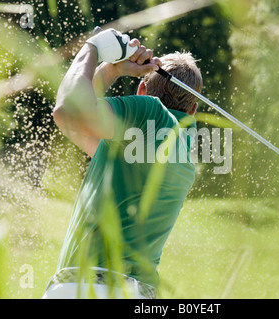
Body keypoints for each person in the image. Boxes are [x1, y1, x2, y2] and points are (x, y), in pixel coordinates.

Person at [42, 29, 203, 299]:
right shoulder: (184, 153)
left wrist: (93, 48)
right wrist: (109, 69)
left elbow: (68, 110)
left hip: (83, 286)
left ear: (142, 90)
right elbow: (77, 123)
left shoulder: (149, 110)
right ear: (193, 110)